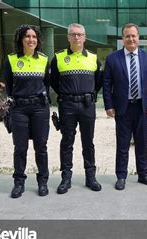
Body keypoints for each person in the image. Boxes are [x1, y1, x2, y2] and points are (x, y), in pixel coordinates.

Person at [102, 23, 147, 190]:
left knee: (142, 143)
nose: (131, 39)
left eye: (133, 36)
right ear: (122, 39)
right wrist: (109, 105)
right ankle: (121, 176)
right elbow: (107, 84)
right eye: (127, 36)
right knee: (122, 144)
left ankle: (143, 174)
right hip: (123, 108)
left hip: (142, 108)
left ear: (138, 38)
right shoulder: (113, 58)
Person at [50, 23, 102, 194]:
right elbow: (53, 81)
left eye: (80, 34)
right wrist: (67, 94)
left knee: (88, 142)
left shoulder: (94, 58)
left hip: (88, 105)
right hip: (68, 105)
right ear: (68, 37)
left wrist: (89, 94)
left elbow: (99, 81)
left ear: (85, 37)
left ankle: (91, 177)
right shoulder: (58, 58)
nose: (77, 37)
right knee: (67, 142)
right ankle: (66, 178)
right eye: (73, 34)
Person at [2, 24, 51, 198]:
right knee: (20, 147)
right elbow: (8, 85)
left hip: (40, 108)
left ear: (38, 40)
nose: (31, 40)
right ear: (21, 40)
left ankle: (43, 182)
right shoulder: (11, 59)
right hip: (19, 109)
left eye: (34, 37)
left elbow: (47, 83)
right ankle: (19, 183)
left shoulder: (44, 59)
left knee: (41, 147)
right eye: (27, 37)